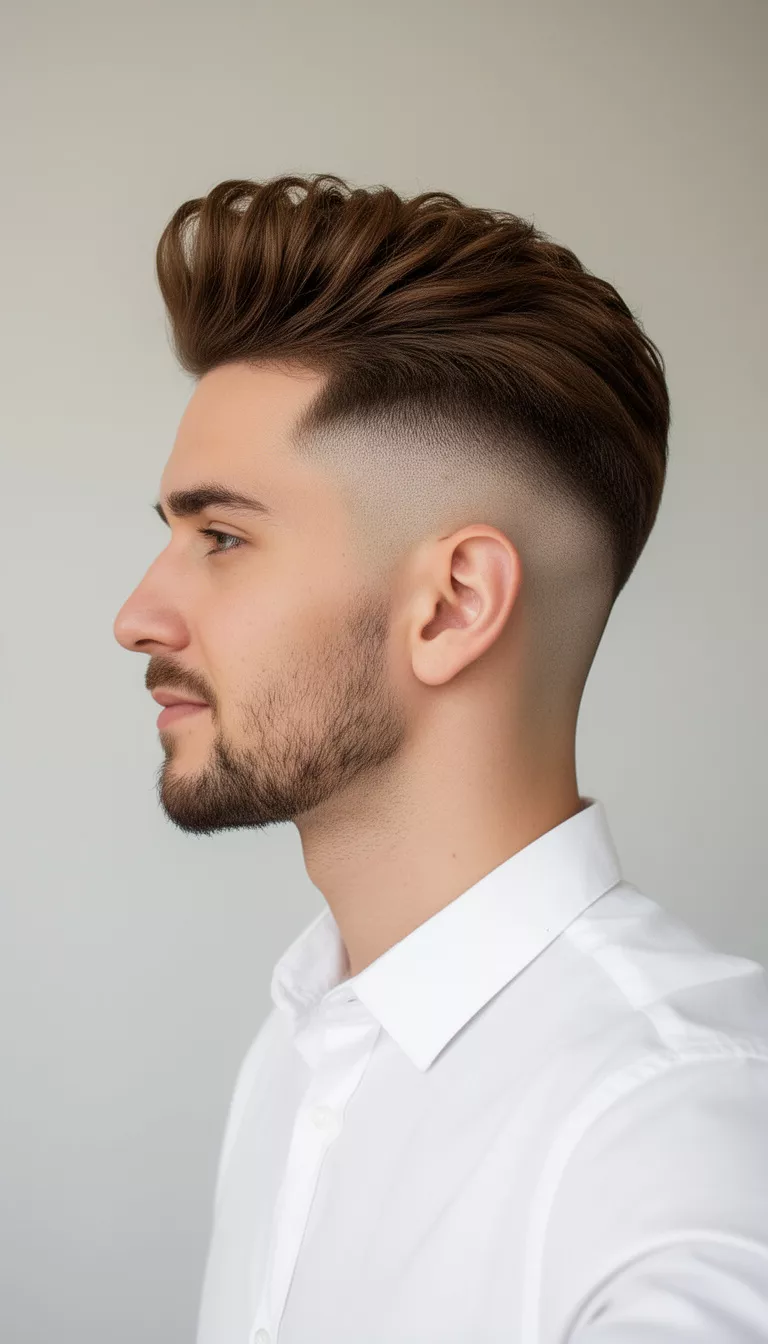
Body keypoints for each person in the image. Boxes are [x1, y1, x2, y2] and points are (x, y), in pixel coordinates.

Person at [113, 173, 768, 1343]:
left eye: (221, 537)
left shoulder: (677, 1136)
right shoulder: (299, 1050)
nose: (137, 617)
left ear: (454, 604)